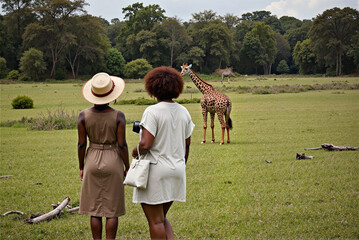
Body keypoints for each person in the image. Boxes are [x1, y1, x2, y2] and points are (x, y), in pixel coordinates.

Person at [131, 66, 195, 239]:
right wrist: (182, 163)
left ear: (153, 88)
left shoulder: (152, 111)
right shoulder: (184, 111)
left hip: (156, 171)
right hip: (177, 169)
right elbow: (187, 144)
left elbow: (145, 144)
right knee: (161, 218)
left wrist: (135, 151)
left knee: (156, 221)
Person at [78, 72, 130, 240]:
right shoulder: (119, 115)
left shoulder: (83, 115)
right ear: (111, 94)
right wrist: (127, 167)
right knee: (112, 210)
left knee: (94, 210)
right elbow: (122, 144)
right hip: (113, 159)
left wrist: (81, 166)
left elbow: (81, 144)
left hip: (92, 159)